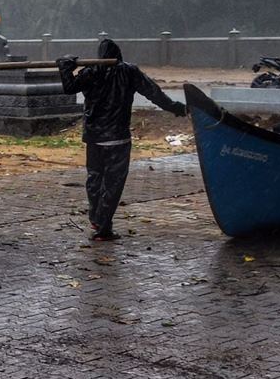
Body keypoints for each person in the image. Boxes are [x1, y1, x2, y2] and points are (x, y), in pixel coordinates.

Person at [58, 39, 186, 241]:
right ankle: (102, 226)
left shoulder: (91, 71)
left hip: (94, 137)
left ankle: (97, 219)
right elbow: (154, 93)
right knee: (113, 184)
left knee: (94, 179)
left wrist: (65, 66)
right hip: (118, 138)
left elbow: (69, 87)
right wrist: (176, 108)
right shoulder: (129, 71)